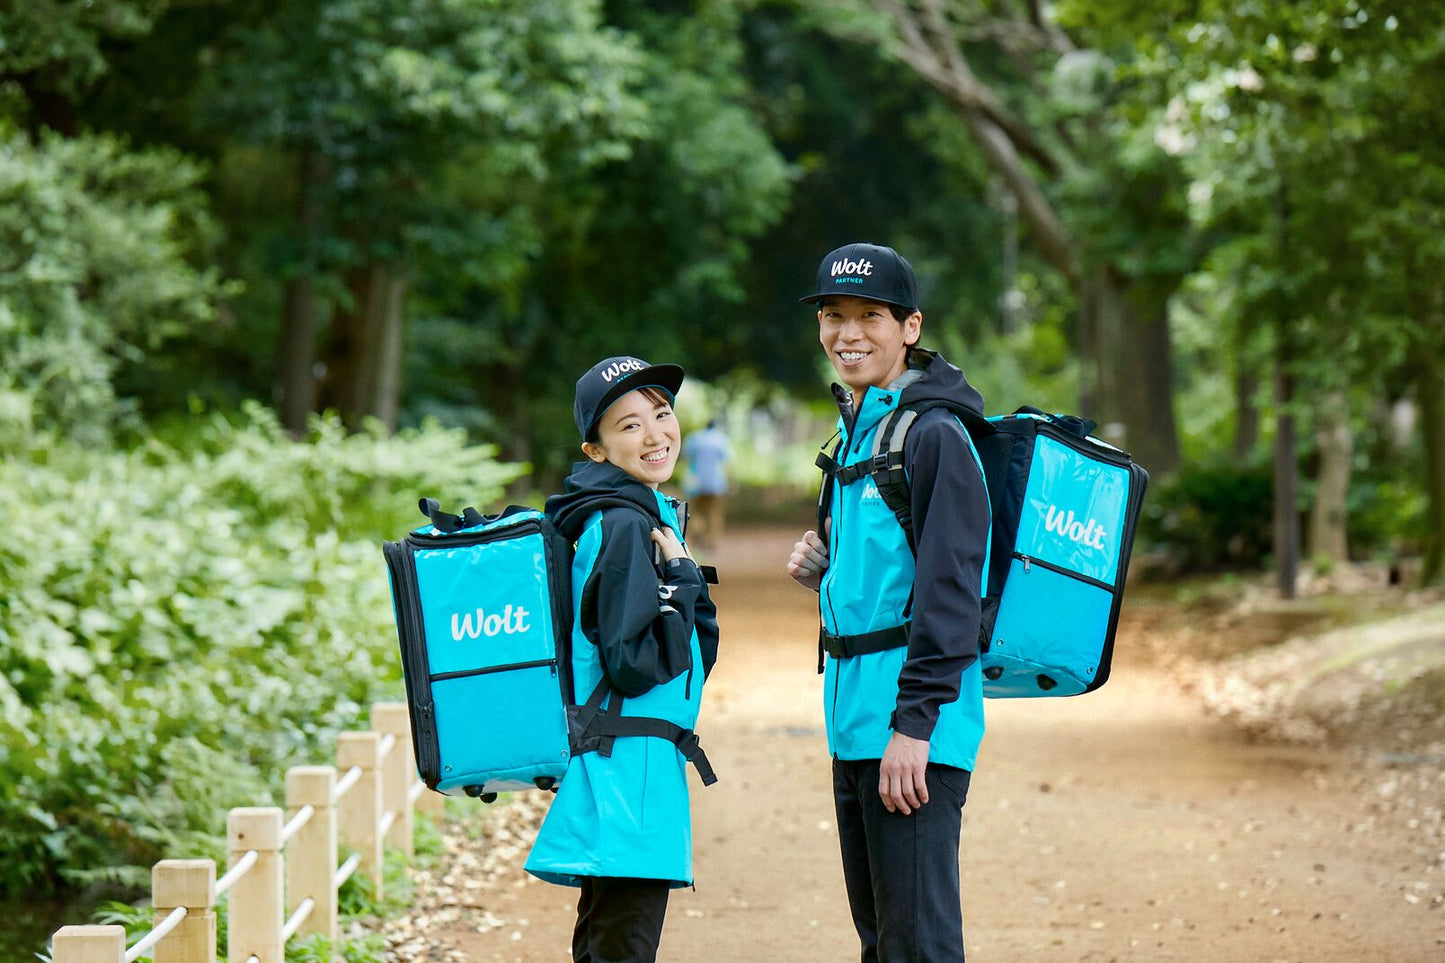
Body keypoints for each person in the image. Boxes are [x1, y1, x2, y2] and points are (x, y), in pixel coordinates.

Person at [786, 242, 992, 961]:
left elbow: (952, 591)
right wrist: (827, 572)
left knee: (917, 946)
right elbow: (893, 571)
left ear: (910, 326)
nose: (848, 333)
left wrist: (914, 726)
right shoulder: (858, 432)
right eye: (833, 315)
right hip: (855, 725)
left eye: (869, 315)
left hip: (912, 729)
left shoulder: (934, 434)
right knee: (882, 941)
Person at [525, 355, 721, 963]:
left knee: (606, 941)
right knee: (622, 946)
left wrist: (683, 582)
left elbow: (688, 654)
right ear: (596, 450)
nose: (655, 434)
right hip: (628, 772)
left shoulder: (626, 516)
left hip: (624, 761)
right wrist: (683, 584)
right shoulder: (622, 525)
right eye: (629, 425)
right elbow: (633, 662)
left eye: (661, 414)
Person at [683, 419, 732, 548]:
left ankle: (695, 540)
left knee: (695, 512)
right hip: (716, 484)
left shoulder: (695, 438)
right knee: (713, 513)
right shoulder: (721, 440)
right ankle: (710, 541)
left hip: (697, 484)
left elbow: (686, 457)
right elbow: (726, 461)